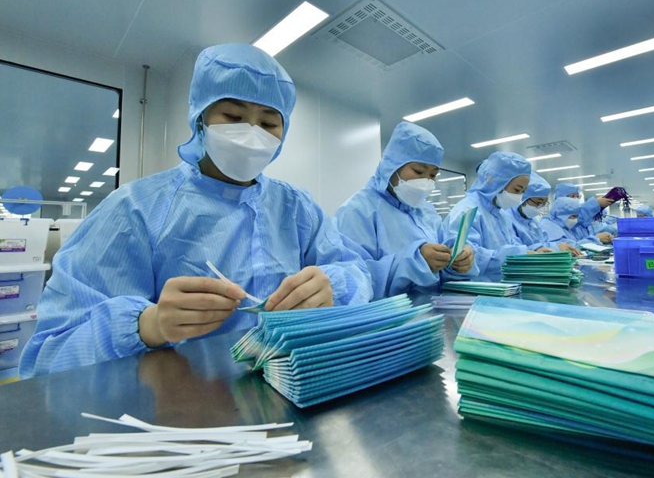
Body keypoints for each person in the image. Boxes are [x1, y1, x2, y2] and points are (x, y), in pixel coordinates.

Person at [20, 44, 372, 377]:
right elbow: (46, 355)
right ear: (200, 119)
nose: (251, 135)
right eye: (233, 115)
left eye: (268, 124)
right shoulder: (135, 209)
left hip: (288, 389)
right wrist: (148, 325)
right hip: (179, 411)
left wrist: (332, 287)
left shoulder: (297, 208)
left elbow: (358, 272)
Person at [335, 122, 474, 298]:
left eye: (433, 175)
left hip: (433, 312)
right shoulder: (357, 211)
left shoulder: (427, 211)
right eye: (418, 171)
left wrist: (458, 260)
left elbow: (442, 269)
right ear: (392, 165)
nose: (426, 182)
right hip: (389, 319)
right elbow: (352, 281)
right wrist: (413, 262)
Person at [442, 152, 535, 281]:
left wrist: (532, 253)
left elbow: (513, 243)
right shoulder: (468, 209)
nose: (519, 197)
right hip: (475, 292)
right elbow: (466, 257)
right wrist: (518, 255)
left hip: (501, 287)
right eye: (517, 190)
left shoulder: (502, 214)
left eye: (523, 192)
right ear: (496, 182)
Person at [509, 173, 581, 256]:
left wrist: (557, 246)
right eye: (538, 202)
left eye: (543, 204)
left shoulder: (532, 221)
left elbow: (542, 243)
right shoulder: (508, 218)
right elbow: (513, 249)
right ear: (523, 197)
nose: (539, 208)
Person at [539, 197, 603, 247]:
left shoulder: (564, 227)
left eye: (577, 216)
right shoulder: (548, 226)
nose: (576, 220)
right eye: (573, 216)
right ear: (560, 214)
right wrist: (595, 239)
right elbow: (567, 247)